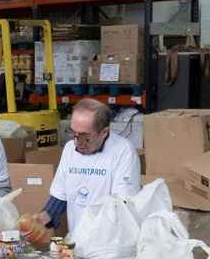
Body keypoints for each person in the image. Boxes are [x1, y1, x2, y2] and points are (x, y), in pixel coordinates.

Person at [37, 99, 141, 233]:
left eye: (85, 137)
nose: (77, 142)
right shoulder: (69, 149)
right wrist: (42, 219)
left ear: (104, 132)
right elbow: (60, 195)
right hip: (77, 241)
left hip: (109, 243)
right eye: (73, 133)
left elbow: (122, 205)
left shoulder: (123, 151)